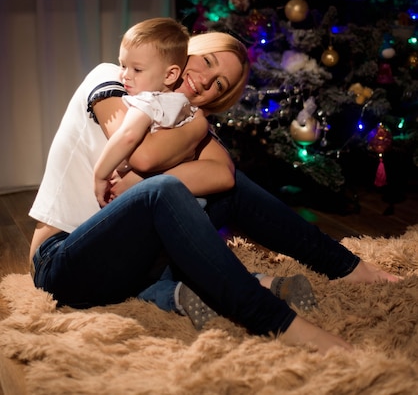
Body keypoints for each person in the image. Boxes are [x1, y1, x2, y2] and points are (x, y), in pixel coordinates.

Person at [28, 23, 399, 355]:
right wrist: (195, 129)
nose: (206, 80)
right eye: (206, 61)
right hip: (62, 261)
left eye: (219, 84)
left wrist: (192, 124)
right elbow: (137, 163)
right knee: (165, 191)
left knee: (211, 190)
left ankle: (345, 266)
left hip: (124, 264)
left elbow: (224, 175)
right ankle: (274, 319)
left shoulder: (179, 115)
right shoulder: (116, 78)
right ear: (186, 50)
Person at [93, 18, 198, 207]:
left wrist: (100, 175)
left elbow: (127, 136)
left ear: (169, 75)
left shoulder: (149, 101)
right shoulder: (184, 106)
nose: (124, 75)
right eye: (123, 65)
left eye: (137, 69)